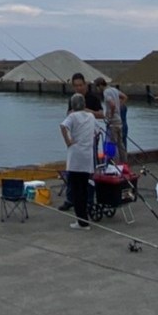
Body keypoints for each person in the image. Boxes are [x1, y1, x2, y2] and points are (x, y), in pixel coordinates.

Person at [60, 94, 96, 230]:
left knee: (76, 191)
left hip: (75, 157)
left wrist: (68, 141)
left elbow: (63, 127)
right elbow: (96, 131)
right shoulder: (91, 117)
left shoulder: (72, 117)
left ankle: (82, 221)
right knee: (84, 189)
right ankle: (83, 218)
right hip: (87, 157)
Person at [99, 77, 126, 163]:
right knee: (120, 144)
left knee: (113, 145)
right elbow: (124, 97)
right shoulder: (114, 89)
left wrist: (110, 116)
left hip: (113, 122)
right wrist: (120, 106)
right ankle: (124, 162)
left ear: (100, 85)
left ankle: (116, 165)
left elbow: (112, 105)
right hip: (119, 121)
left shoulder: (106, 92)